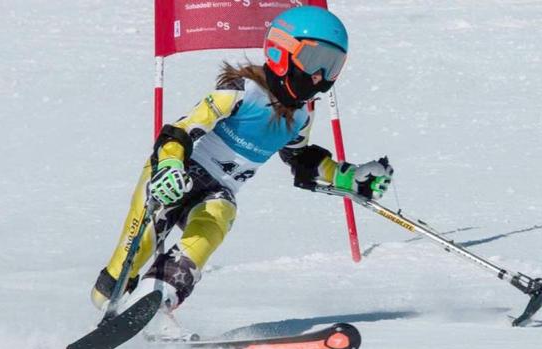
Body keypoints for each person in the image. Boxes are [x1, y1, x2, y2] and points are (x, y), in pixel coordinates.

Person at [90, 5, 394, 314]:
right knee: (124, 267)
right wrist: (169, 165)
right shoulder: (242, 92)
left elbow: (300, 158)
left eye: (331, 65)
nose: (319, 76)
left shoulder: (301, 117)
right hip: (177, 176)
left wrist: (348, 177)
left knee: (216, 219)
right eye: (314, 60)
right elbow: (180, 131)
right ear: (280, 52)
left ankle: (156, 302)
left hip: (219, 190)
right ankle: (113, 295)